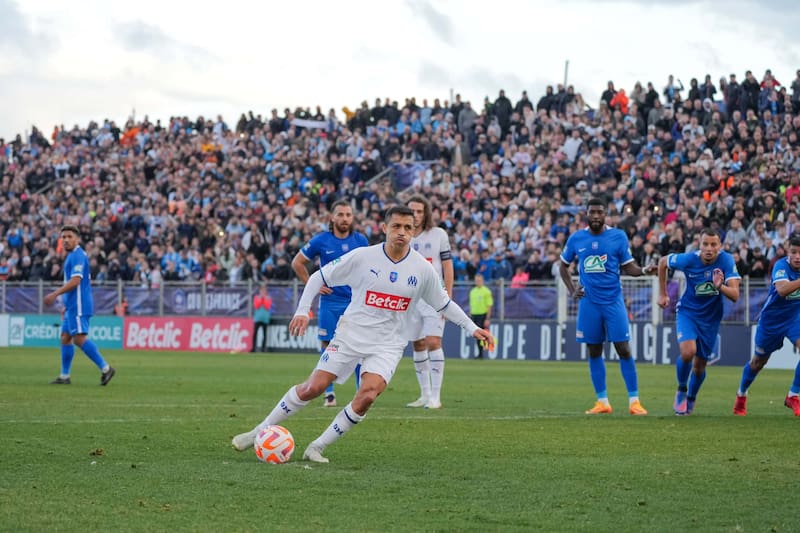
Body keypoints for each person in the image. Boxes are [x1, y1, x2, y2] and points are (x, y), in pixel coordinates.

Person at [231, 206, 494, 463]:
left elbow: (444, 303)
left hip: (388, 345)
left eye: (408, 227)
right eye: (396, 226)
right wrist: (302, 311)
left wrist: (472, 328)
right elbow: (318, 277)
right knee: (313, 388)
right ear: (384, 228)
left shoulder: (422, 269)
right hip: (351, 335)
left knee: (367, 395)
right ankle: (258, 431)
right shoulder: (363, 257)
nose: (402, 232)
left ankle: (317, 447)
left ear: (414, 232)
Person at [559, 198, 655, 415]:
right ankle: (602, 402)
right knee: (594, 350)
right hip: (589, 303)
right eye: (592, 212)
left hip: (613, 301)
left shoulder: (618, 236)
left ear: (605, 215)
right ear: (586, 214)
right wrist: (572, 290)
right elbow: (562, 267)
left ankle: (634, 402)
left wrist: (644, 270)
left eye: (599, 212)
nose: (595, 216)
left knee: (623, 348)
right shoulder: (576, 238)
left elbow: (628, 267)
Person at [291, 200, 368, 407]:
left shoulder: (361, 240)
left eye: (348, 215)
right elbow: (297, 263)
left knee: (359, 347)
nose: (345, 218)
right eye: (340, 214)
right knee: (327, 345)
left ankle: (359, 394)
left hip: (355, 302)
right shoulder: (321, 240)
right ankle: (329, 394)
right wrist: (313, 284)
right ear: (332, 218)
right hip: (330, 302)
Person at [657, 228, 741, 415]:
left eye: (713, 244)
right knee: (688, 352)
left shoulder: (726, 260)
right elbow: (662, 262)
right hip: (688, 313)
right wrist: (662, 293)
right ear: (699, 244)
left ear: (720, 246)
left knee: (700, 365)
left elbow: (735, 295)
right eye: (705, 244)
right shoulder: (689, 259)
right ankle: (681, 389)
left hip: (711, 319)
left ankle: (691, 398)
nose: (709, 248)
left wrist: (720, 286)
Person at [733, 234, 800, 416]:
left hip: (794, 319)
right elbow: (782, 290)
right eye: (794, 252)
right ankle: (741, 395)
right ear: (788, 252)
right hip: (771, 321)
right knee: (758, 362)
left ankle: (793, 395)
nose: (797, 257)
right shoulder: (780, 266)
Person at [44, 225, 116, 386]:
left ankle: (106, 368)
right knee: (65, 337)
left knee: (78, 338)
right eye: (64, 237)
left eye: (70, 236)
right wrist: (66, 304)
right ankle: (64, 376)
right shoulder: (72, 256)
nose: (66, 240)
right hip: (72, 305)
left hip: (79, 304)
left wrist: (55, 294)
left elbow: (76, 281)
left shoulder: (77, 255)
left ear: (77, 239)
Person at [405, 195, 454, 409]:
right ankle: (424, 394)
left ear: (426, 213)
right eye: (412, 211)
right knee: (417, 343)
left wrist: (447, 296)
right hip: (410, 298)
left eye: (419, 211)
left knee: (433, 341)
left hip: (434, 296)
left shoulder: (438, 234)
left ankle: (436, 396)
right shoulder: (403, 236)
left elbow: (447, 266)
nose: (415, 215)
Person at [469, 273, 493, 359]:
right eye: (476, 280)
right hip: (474, 315)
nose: (477, 282)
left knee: (481, 335)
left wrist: (487, 318)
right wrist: (470, 314)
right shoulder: (472, 291)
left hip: (482, 315)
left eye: (479, 280)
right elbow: (471, 304)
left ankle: (481, 353)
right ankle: (480, 353)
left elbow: (489, 305)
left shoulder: (486, 291)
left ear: (482, 281)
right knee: (476, 335)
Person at [252, 283, 272, 353]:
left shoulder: (269, 298)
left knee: (264, 334)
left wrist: (263, 299)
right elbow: (257, 306)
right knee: (255, 334)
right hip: (257, 318)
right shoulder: (256, 297)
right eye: (262, 290)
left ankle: (263, 349)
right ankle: (253, 348)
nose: (263, 292)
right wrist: (262, 299)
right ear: (260, 291)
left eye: (264, 290)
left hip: (265, 319)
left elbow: (267, 307)